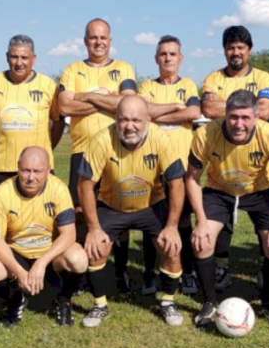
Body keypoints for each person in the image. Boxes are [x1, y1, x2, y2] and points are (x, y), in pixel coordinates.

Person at [187, 90, 269, 327]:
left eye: (245, 118)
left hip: (259, 191)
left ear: (256, 118)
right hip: (219, 190)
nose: (239, 124)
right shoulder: (206, 134)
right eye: (233, 117)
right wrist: (201, 222)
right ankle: (209, 302)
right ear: (225, 115)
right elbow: (192, 178)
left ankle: (267, 303)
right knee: (202, 240)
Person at [77, 96, 187, 328]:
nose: (129, 126)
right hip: (112, 206)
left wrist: (172, 227)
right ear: (115, 119)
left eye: (136, 120)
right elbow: (84, 185)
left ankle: (167, 301)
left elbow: (177, 183)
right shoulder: (101, 140)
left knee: (171, 247)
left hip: (151, 205)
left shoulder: (161, 138)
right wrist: (94, 229)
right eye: (123, 119)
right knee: (97, 247)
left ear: (148, 119)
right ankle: (99, 304)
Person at [56, 18, 138, 290]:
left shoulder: (123, 68)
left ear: (110, 41)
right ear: (85, 40)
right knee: (80, 211)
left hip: (116, 151)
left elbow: (126, 103)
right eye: (93, 37)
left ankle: (119, 272)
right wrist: (105, 102)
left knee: (119, 211)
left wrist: (86, 97)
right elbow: (64, 106)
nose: (98, 42)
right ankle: (81, 272)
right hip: (82, 151)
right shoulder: (72, 70)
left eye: (103, 37)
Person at [200, 25, 269, 291]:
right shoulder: (213, 78)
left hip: (259, 174)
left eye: (240, 48)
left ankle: (262, 266)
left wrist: (228, 107)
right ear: (224, 51)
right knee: (222, 226)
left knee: (266, 229)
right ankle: (221, 268)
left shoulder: (264, 77)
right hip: (222, 167)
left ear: (249, 50)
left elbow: (266, 110)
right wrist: (247, 107)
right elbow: (208, 108)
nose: (235, 52)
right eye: (231, 47)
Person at [0, 146, 88, 327]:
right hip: (17, 253)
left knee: (79, 259)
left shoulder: (58, 189)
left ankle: (63, 300)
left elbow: (69, 234)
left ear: (48, 170)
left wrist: (42, 262)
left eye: (37, 171)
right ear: (17, 167)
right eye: (25, 170)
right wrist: (19, 271)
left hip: (49, 254)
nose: (31, 177)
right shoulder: (2, 193)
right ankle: (15, 298)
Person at [139, 35, 202, 296]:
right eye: (163, 54)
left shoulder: (187, 85)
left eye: (172, 54)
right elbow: (143, 113)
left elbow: (193, 113)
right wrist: (174, 107)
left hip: (181, 168)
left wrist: (159, 113)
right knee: (150, 220)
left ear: (180, 58)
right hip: (152, 167)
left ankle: (187, 273)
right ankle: (149, 274)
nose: (167, 58)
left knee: (183, 221)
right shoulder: (146, 86)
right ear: (156, 58)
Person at [0, 34, 64, 185]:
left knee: (41, 209)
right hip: (4, 167)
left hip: (39, 167)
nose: (19, 63)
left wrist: (46, 149)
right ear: (7, 57)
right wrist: (0, 145)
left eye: (24, 57)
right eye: (14, 57)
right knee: (5, 208)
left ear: (33, 59)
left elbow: (58, 122)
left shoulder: (48, 85)